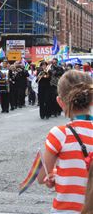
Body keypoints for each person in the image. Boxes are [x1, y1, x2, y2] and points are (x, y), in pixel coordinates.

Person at [37, 70, 92, 213]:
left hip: (66, 209)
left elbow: (42, 176)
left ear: (60, 102)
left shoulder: (60, 134)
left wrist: (55, 175)